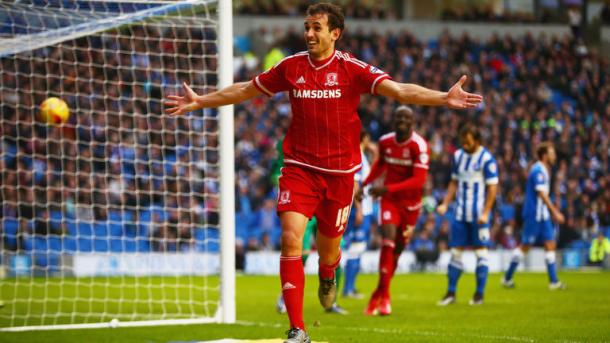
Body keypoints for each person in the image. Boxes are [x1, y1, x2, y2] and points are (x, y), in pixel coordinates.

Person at [164, 3, 482, 342]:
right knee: (290, 239)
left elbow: (401, 90)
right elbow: (246, 89)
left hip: (340, 176)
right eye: (307, 26)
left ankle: (328, 273)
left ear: (335, 33)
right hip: (300, 169)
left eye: (317, 27)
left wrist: (443, 98)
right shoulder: (290, 67)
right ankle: (297, 330)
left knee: (328, 253)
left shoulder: (352, 70)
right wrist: (202, 101)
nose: (309, 33)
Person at [361, 106, 429, 316]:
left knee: (397, 251)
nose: (401, 120)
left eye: (406, 117)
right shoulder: (385, 142)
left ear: (412, 122)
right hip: (389, 201)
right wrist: (365, 185)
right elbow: (380, 165)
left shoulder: (419, 146)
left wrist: (386, 188)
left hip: (410, 206)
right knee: (387, 241)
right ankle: (384, 298)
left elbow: (419, 181)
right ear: (393, 119)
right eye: (398, 116)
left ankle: (378, 294)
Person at [436, 123, 498, 306]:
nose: (464, 145)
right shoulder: (458, 156)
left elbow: (493, 188)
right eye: (462, 141)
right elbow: (453, 183)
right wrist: (445, 204)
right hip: (460, 215)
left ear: (477, 141)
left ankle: (479, 294)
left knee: (481, 254)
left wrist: (486, 213)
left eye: (468, 142)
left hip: (479, 216)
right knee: (455, 253)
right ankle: (451, 293)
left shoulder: (487, 159)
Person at [502, 142, 566, 290]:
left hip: (542, 215)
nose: (554, 155)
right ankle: (507, 277)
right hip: (533, 214)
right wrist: (555, 211)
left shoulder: (544, 169)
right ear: (544, 155)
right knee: (525, 246)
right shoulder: (538, 170)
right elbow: (541, 194)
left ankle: (553, 282)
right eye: (551, 152)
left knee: (550, 244)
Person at [342, 131, 376, 299]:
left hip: (367, 208)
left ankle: (351, 287)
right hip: (360, 209)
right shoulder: (358, 157)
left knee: (359, 248)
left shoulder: (363, 155)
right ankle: (348, 289)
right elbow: (355, 184)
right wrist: (360, 209)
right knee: (355, 248)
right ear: (365, 137)